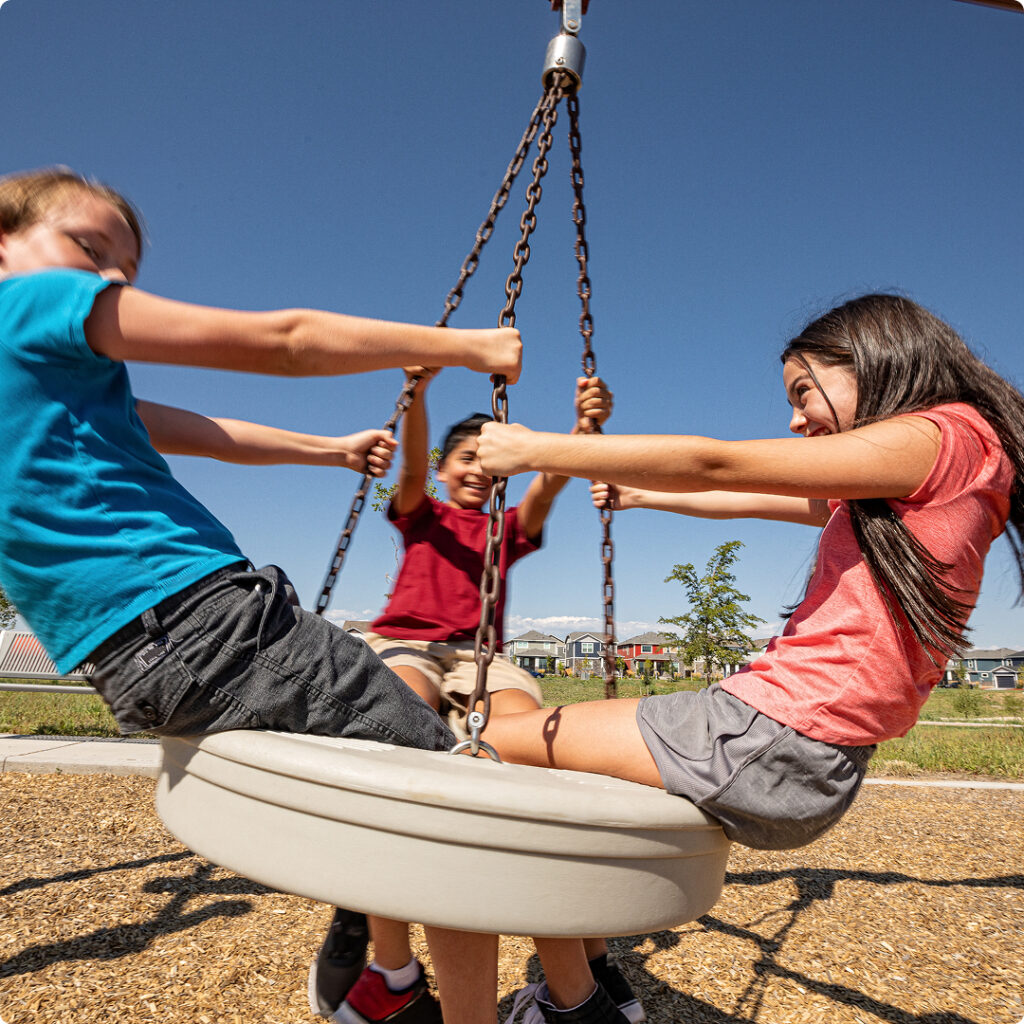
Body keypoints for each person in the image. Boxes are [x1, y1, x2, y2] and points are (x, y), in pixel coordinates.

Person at [0, 167, 519, 821]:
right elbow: (286, 342)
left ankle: (356, 926)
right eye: (89, 249)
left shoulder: (49, 391)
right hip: (201, 620)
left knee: (362, 797)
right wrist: (467, 347)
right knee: (443, 784)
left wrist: (333, 450)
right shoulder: (31, 301)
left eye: (127, 271)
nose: (110, 279)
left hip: (128, 661)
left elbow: (213, 436)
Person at [474, 292, 1024, 856]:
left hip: (772, 735)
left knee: (488, 742)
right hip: (808, 753)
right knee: (544, 770)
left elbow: (719, 461)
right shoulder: (937, 473)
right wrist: (640, 494)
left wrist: (535, 449)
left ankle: (404, 931)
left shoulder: (939, 436)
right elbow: (746, 495)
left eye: (802, 392)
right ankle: (580, 948)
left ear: (873, 358)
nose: (793, 420)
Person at [312, 369, 646, 1024]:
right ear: (444, 468)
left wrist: (583, 431)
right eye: (467, 459)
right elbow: (411, 462)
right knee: (400, 722)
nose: (480, 474)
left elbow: (548, 480)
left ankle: (588, 960)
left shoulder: (509, 528)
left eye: (493, 468)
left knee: (529, 738)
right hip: (409, 644)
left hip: (481, 658)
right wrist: (420, 389)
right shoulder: (422, 512)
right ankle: (388, 959)